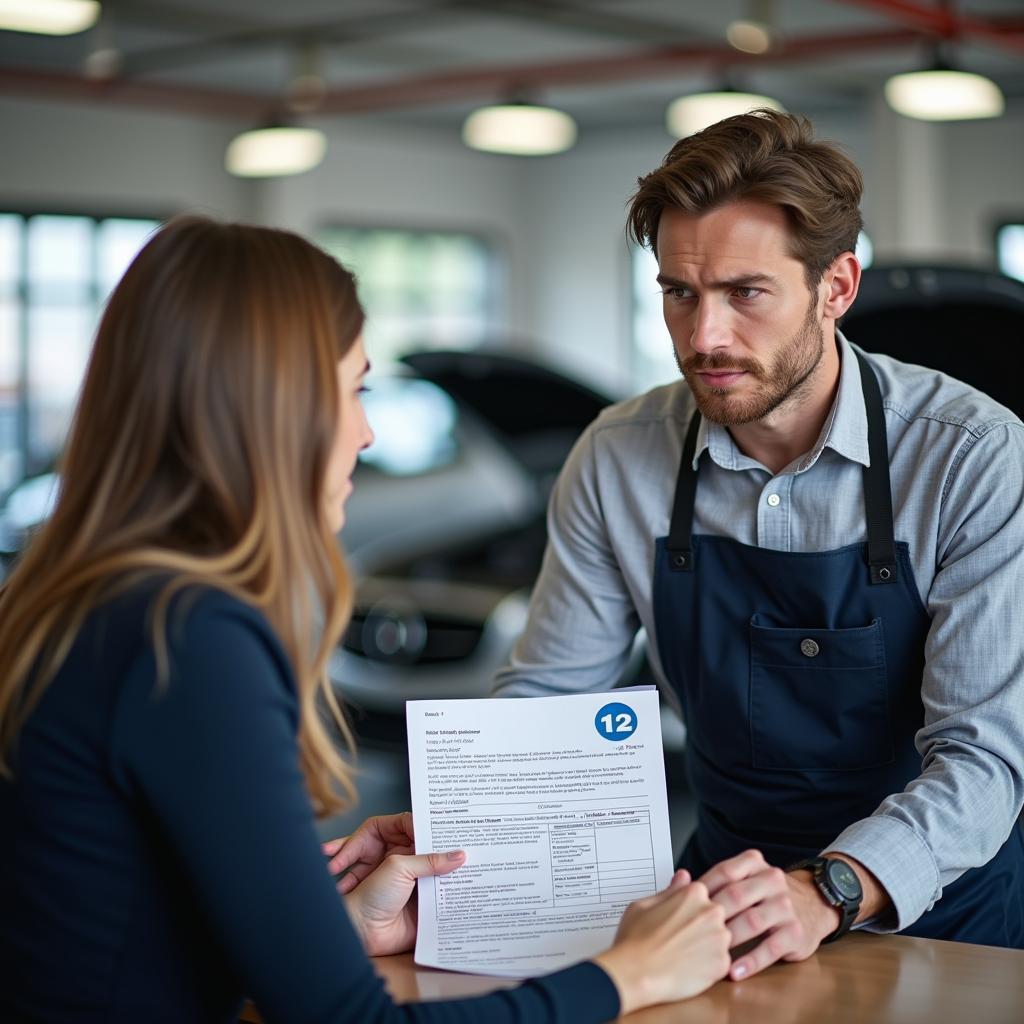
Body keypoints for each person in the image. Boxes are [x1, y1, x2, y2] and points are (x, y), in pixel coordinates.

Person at [0, 217, 732, 1023]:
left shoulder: (80, 602)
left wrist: (329, 929)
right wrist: (630, 974)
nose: (366, 432)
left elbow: (117, 931)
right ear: (274, 408)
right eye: (354, 391)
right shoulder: (191, 637)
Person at [493, 109, 1024, 975]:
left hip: (940, 917)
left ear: (837, 287)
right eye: (679, 293)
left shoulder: (971, 455)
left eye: (746, 293)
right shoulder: (618, 456)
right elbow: (552, 702)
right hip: (723, 905)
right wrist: (456, 830)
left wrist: (830, 891)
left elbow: (985, 758)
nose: (704, 338)